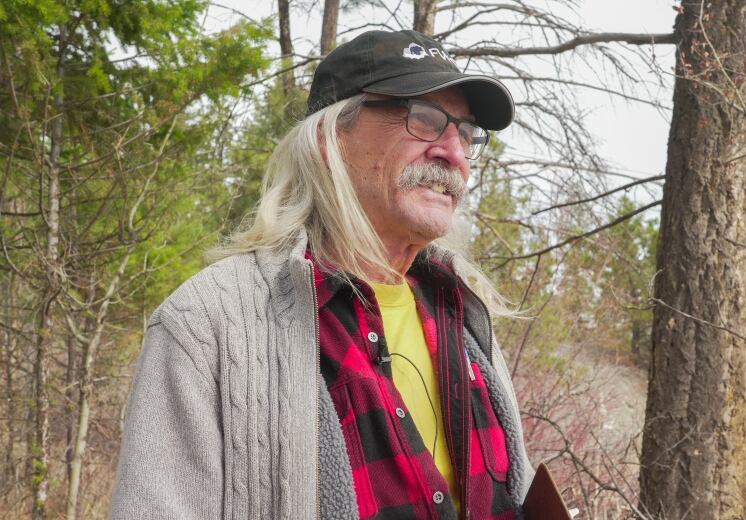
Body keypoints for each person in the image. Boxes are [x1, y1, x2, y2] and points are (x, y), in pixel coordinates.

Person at [110, 29, 534, 520]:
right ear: (330, 139)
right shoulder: (207, 324)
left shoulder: (465, 318)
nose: (454, 154)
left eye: (465, 133)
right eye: (425, 119)